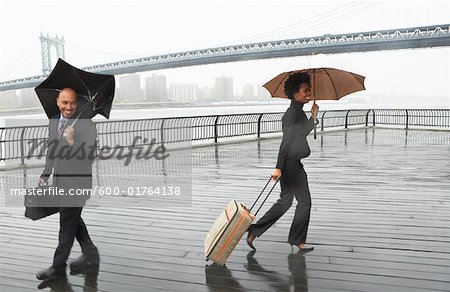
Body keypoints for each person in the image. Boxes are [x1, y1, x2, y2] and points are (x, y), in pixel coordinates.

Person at [247, 72, 319, 251]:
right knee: (305, 202)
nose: (308, 94)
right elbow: (286, 141)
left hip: (291, 164)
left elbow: (300, 134)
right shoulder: (292, 114)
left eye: (309, 90)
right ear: (295, 93)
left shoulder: (297, 112)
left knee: (285, 201)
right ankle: (297, 239)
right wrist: (278, 168)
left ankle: (254, 230)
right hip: (292, 165)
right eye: (305, 91)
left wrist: (313, 117)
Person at [36, 88, 100, 281]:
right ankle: (91, 254)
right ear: (57, 102)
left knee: (67, 222)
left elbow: (89, 158)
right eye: (64, 102)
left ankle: (57, 267)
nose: (68, 107)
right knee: (73, 221)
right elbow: (51, 150)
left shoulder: (87, 125)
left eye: (72, 102)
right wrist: (45, 174)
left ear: (77, 103)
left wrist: (73, 142)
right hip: (60, 181)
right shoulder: (54, 120)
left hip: (78, 182)